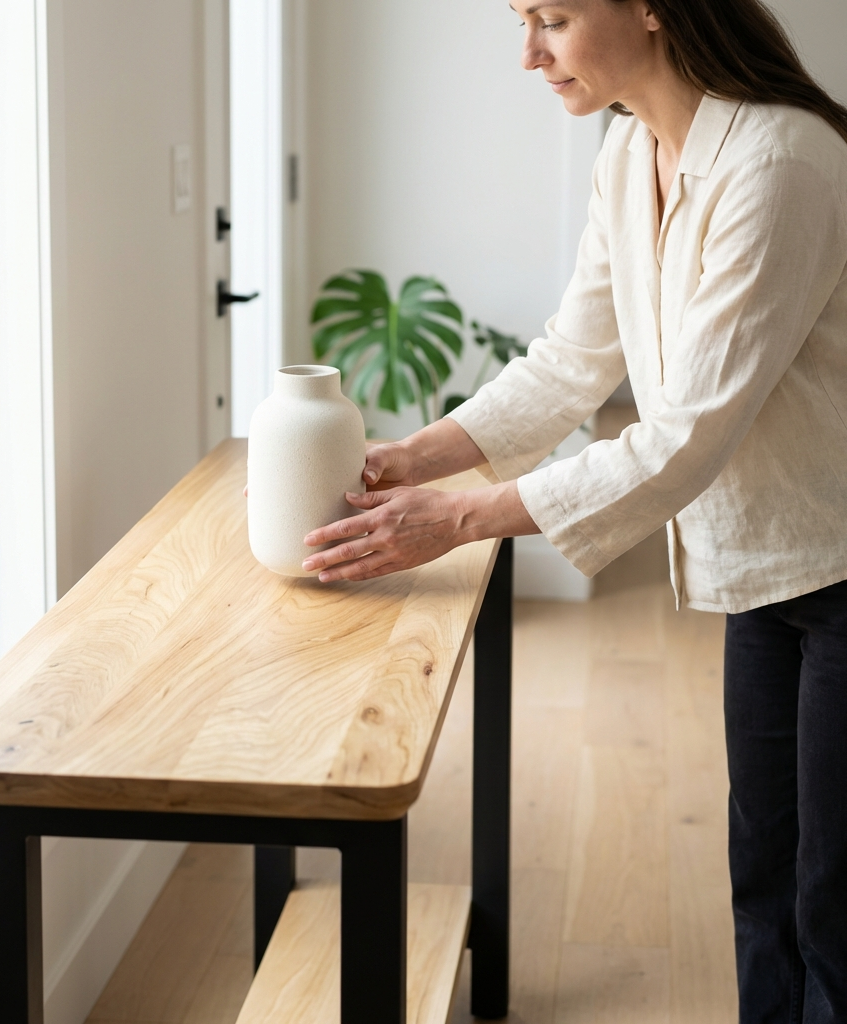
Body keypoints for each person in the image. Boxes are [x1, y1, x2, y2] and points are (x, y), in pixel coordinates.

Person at [301, 1, 847, 1021]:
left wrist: (461, 517)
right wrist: (421, 454)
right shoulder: (626, 150)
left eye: (551, 17)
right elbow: (572, 360)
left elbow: (686, 430)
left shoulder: (779, 163)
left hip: (839, 563)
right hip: (770, 571)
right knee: (763, 873)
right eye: (521, 19)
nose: (528, 53)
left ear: (648, 7)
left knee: (833, 901)